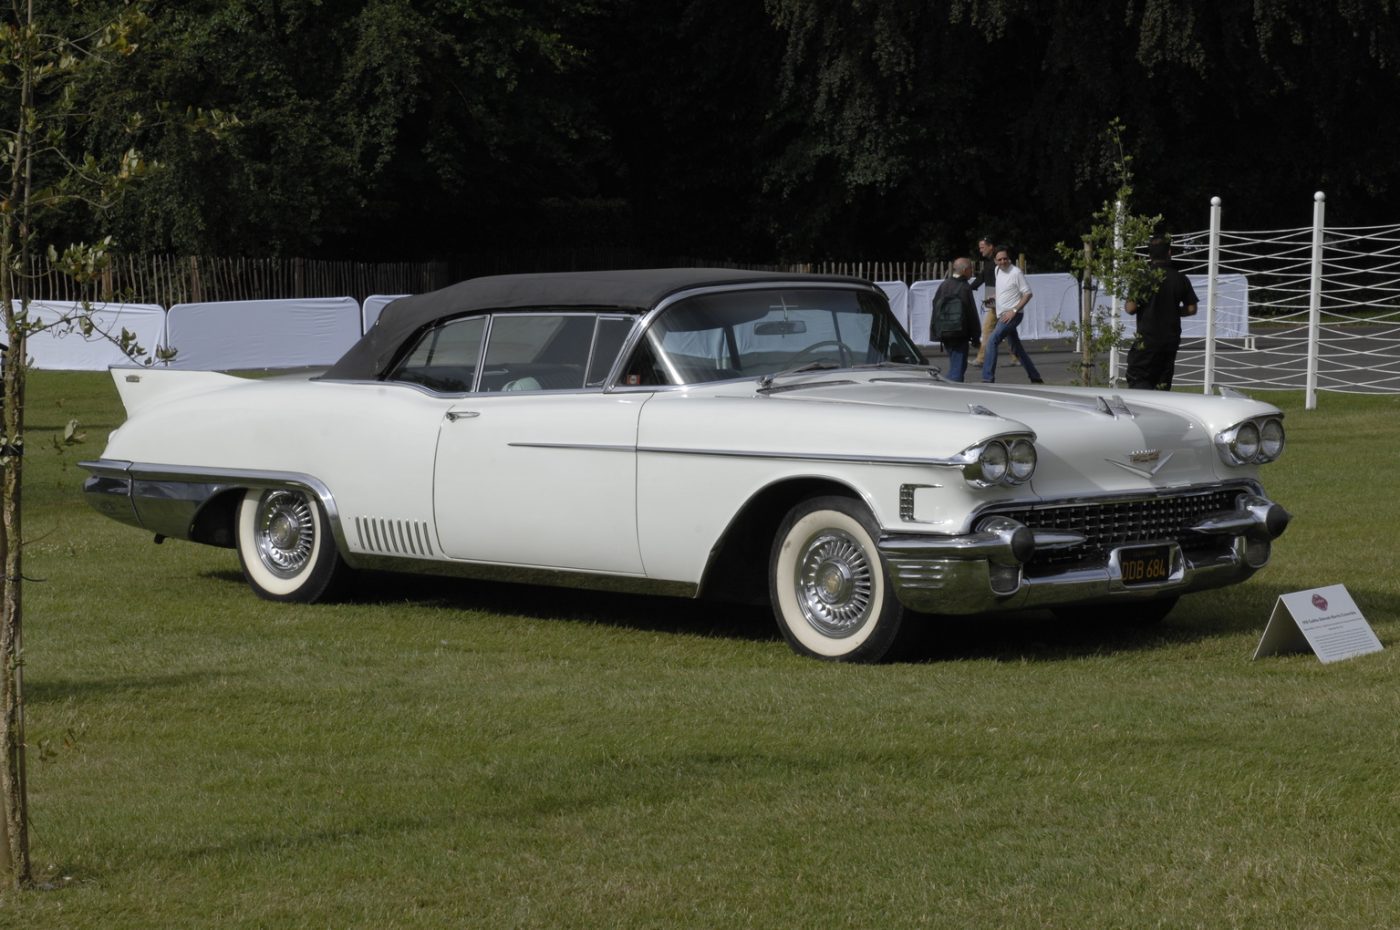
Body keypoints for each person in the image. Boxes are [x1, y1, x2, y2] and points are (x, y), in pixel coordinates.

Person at [1124, 236, 1198, 390]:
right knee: (1162, 385)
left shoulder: (1142, 278)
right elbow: (1191, 308)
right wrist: (1173, 310)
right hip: (1169, 342)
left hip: (1146, 342)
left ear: (1149, 256)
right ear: (1169, 252)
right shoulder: (1180, 278)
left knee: (1139, 380)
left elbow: (1130, 308)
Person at [981, 247, 1044, 383]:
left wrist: (1014, 311)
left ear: (1009, 258)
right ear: (995, 261)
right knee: (1016, 348)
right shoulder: (997, 271)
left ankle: (987, 378)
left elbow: (1028, 294)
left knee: (992, 341)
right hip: (1002, 315)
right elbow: (1004, 290)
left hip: (1012, 316)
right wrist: (994, 297)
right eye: (1000, 259)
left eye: (1005, 258)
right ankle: (1035, 377)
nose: (1003, 262)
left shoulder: (1016, 272)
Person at [929, 256, 982, 381]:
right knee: (958, 368)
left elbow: (935, 307)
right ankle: (951, 393)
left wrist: (937, 332)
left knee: (954, 364)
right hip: (959, 333)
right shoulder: (964, 287)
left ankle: (948, 389)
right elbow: (971, 313)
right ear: (964, 270)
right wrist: (976, 336)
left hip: (944, 333)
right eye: (970, 269)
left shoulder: (944, 284)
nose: (972, 272)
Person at [968, 237, 999, 365]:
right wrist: (968, 288)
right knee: (1007, 332)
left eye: (982, 247)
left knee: (987, 328)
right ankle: (1017, 357)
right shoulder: (989, 262)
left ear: (990, 246)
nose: (980, 250)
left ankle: (981, 359)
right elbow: (982, 277)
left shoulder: (998, 260)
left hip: (998, 298)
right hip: (992, 297)